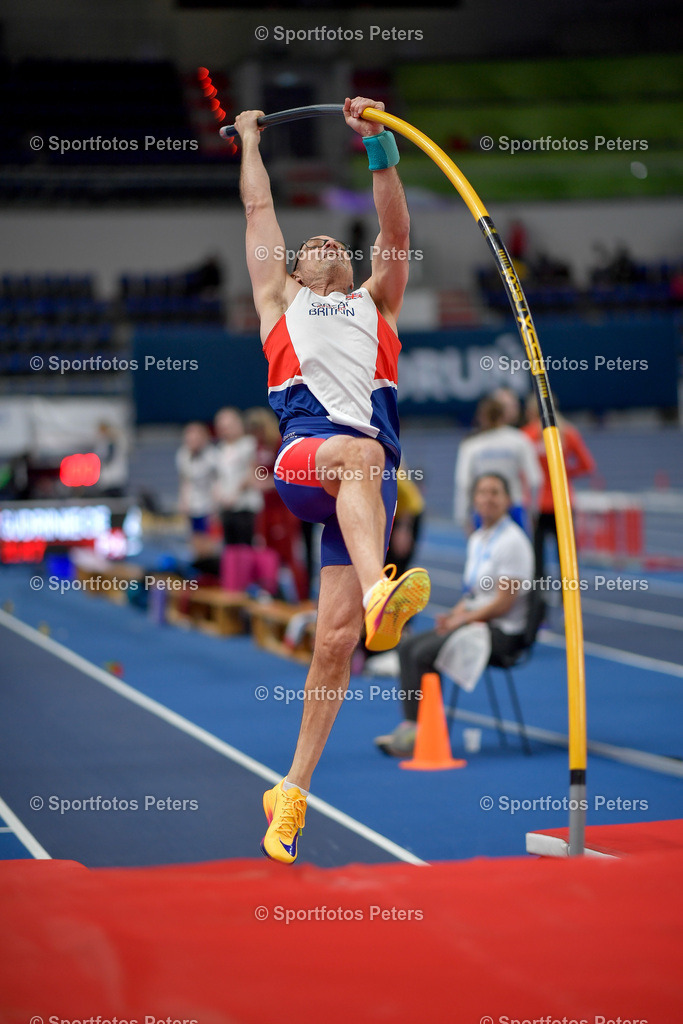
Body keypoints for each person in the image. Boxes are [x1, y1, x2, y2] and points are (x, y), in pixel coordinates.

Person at [235, 95, 430, 863]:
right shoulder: (278, 300)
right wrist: (250, 141)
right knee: (360, 456)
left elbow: (396, 233)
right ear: (292, 269)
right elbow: (259, 208)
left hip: (364, 484)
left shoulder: (377, 302)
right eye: (310, 243)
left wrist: (377, 144)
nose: (322, 242)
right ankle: (383, 589)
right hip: (305, 457)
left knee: (337, 643)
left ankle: (290, 792)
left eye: (332, 242)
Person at [375, 473, 534, 757]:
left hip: (502, 632)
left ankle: (424, 733)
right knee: (407, 647)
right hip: (476, 624)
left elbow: (503, 603)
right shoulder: (479, 539)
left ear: (508, 500)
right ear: (474, 499)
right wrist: (453, 616)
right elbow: (473, 594)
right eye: (482, 492)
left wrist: (464, 619)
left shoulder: (513, 542)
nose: (488, 498)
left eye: (495, 492)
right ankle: (413, 726)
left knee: (423, 653)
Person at [522, 394, 596, 579]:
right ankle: (569, 596)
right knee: (567, 559)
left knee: (537, 558)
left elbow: (521, 471)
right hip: (563, 501)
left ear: (531, 411)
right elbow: (587, 465)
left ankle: (538, 597)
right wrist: (564, 473)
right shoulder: (568, 433)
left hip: (537, 503)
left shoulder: (527, 435)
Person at [454, 395, 542, 535]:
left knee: (483, 548)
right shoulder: (519, 440)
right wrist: (533, 512)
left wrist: (463, 518)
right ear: (503, 416)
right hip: (514, 506)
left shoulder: (471, 445)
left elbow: (463, 483)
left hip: (484, 509)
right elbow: (535, 480)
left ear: (481, 418)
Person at [213, 407, 263, 547]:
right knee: (230, 547)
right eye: (222, 427)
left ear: (238, 425)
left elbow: (253, 472)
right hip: (227, 506)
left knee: (246, 546)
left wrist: (235, 493)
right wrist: (218, 494)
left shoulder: (249, 444)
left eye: (229, 426)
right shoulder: (220, 449)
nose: (226, 431)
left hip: (246, 506)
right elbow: (219, 477)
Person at [176, 421, 218, 562]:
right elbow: (184, 480)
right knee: (194, 539)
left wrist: (215, 507)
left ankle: (209, 564)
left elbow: (216, 482)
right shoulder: (182, 455)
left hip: (208, 504)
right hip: (192, 503)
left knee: (208, 540)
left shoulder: (212, 456)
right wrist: (183, 501)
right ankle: (199, 565)